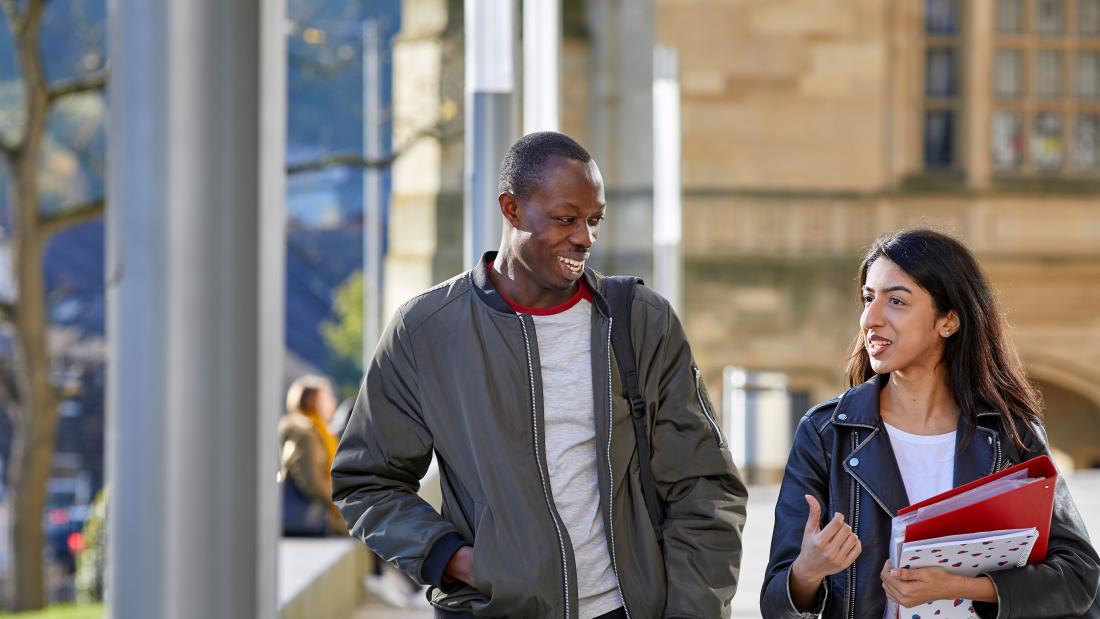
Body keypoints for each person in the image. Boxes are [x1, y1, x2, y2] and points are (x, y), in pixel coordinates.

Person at [332, 131, 748, 618]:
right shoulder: (425, 331)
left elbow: (705, 485)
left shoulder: (640, 321)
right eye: (566, 219)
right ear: (511, 209)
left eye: (595, 221)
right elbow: (366, 481)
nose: (585, 238)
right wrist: (456, 561)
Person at [761, 229, 1100, 618]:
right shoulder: (827, 434)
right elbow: (774, 602)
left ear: (949, 321)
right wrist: (808, 570)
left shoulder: (1008, 432)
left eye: (896, 301)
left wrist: (962, 587)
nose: (871, 318)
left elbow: (1080, 577)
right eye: (868, 298)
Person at [279, 374, 345, 536]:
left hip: (315, 518)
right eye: (328, 397)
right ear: (313, 401)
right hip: (309, 520)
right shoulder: (304, 432)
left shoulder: (319, 431)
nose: (333, 402)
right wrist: (341, 505)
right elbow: (312, 482)